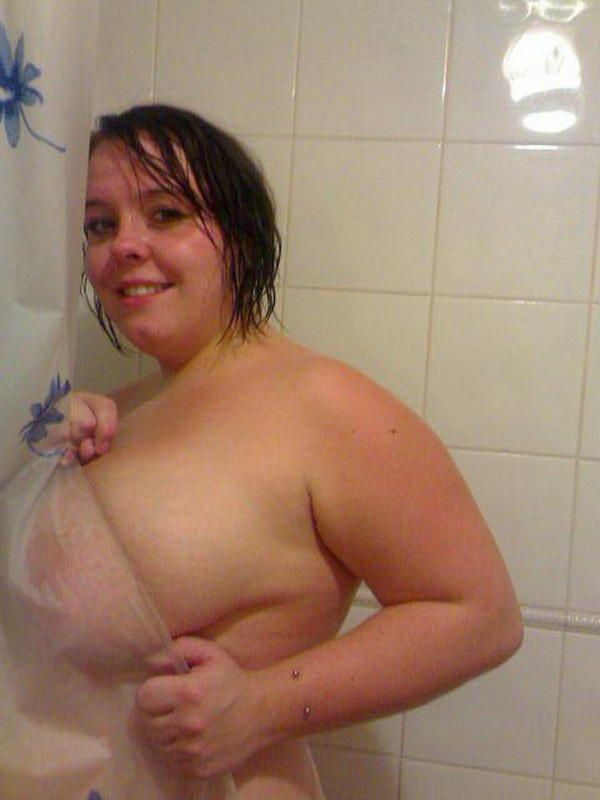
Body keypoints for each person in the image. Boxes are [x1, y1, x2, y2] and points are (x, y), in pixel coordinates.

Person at [71, 104, 523, 798]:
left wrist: (260, 705)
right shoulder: (111, 413)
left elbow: (480, 616)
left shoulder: (323, 405)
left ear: (240, 235)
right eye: (100, 225)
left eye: (166, 214)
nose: (124, 245)